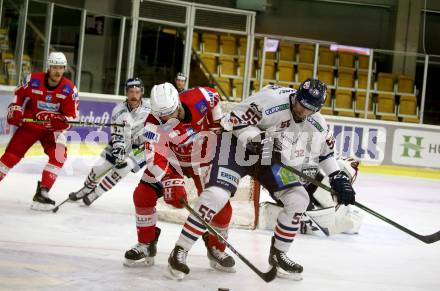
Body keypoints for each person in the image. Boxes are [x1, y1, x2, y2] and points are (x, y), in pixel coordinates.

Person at [167, 79, 356, 280]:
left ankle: (279, 254)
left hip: (269, 157)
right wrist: (256, 139)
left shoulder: (317, 122)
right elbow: (232, 120)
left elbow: (325, 154)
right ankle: (180, 250)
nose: (302, 111)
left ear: (317, 108)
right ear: (297, 96)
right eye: (301, 104)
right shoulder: (271, 100)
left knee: (299, 198)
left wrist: (338, 178)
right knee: (216, 195)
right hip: (235, 147)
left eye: (309, 109)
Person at [124, 83, 236, 273]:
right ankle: (146, 243)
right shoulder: (152, 121)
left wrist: (216, 122)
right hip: (172, 162)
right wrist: (169, 180)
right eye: (162, 115)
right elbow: (154, 157)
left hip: (204, 159)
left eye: (170, 112)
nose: (166, 118)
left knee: (222, 207)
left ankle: (216, 246)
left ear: (178, 102)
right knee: (143, 194)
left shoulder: (199, 96)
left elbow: (214, 96)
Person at [0, 52, 78, 210]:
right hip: (31, 126)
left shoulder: (69, 89)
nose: (57, 71)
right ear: (48, 67)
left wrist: (62, 123)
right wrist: (14, 109)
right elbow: (18, 94)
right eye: (54, 67)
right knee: (11, 156)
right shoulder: (32, 80)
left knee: (59, 155)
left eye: (61, 68)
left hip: (51, 130)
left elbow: (73, 117)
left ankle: (43, 192)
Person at [68, 78, 150, 205]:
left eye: (137, 92)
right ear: (126, 93)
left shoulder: (150, 109)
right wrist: (119, 152)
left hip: (143, 146)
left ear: (142, 92)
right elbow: (117, 134)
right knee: (100, 167)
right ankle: (86, 188)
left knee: (123, 168)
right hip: (123, 141)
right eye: (131, 92)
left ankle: (97, 193)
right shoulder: (118, 110)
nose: (134, 95)